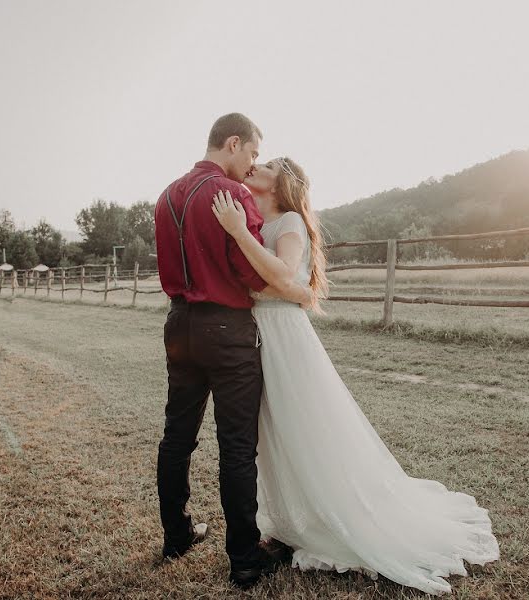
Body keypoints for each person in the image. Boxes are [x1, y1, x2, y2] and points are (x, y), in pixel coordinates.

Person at [211, 157, 501, 595]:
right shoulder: (253, 221)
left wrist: (238, 238)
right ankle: (292, 520)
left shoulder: (287, 220)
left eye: (266, 163)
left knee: (305, 429)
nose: (254, 166)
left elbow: (287, 281)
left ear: (283, 181)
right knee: (274, 434)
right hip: (256, 335)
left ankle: (335, 518)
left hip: (284, 336)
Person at [153, 113, 310, 590]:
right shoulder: (231, 195)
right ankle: (244, 557)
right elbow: (251, 274)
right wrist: (295, 288)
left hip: (178, 323)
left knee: (177, 435)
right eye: (253, 154)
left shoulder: (165, 196)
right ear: (234, 143)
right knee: (237, 445)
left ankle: (177, 535)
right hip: (226, 328)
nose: (252, 164)